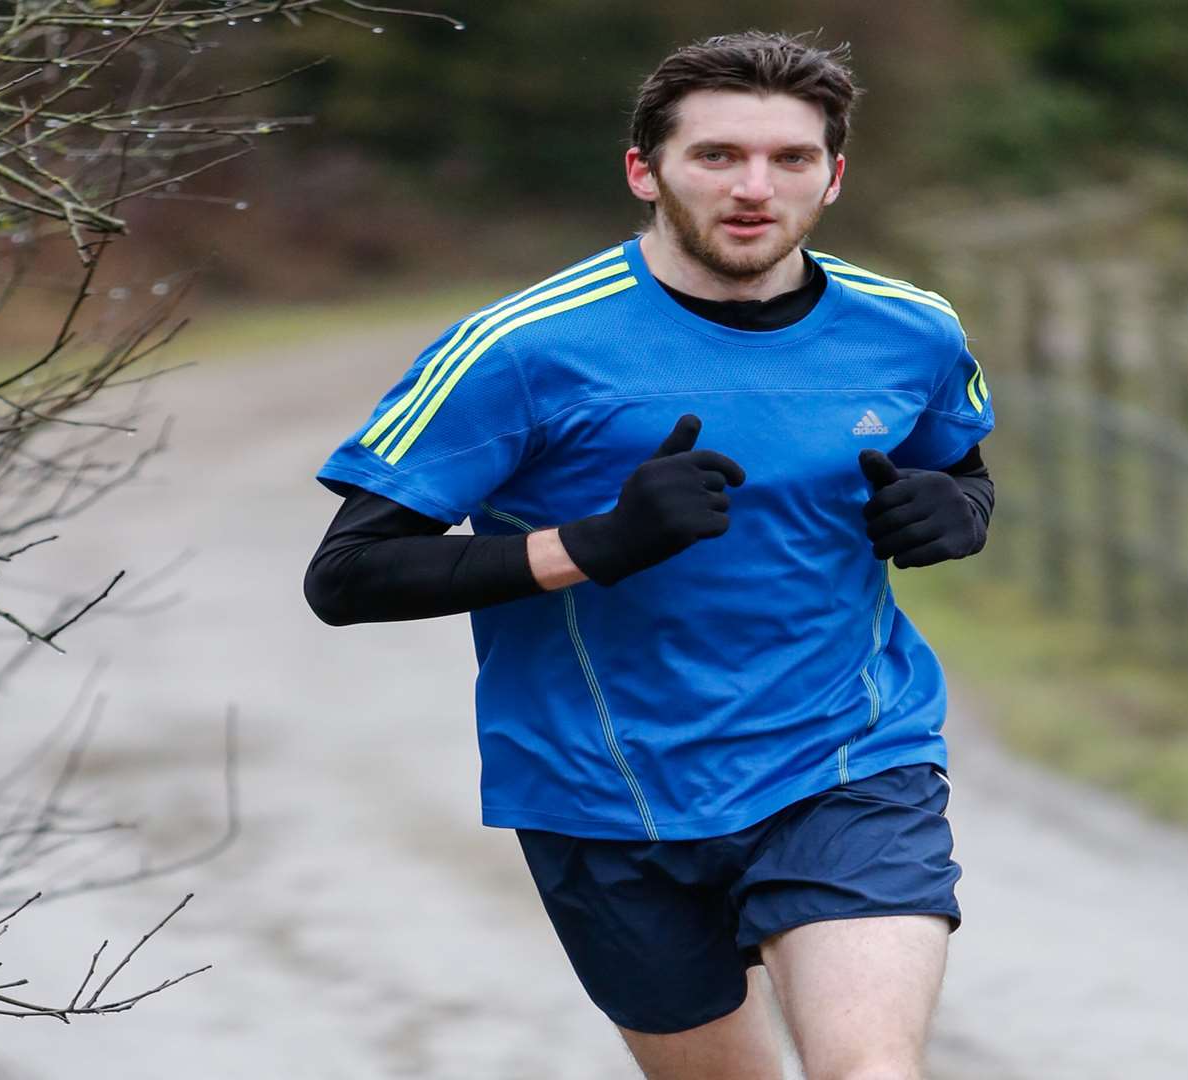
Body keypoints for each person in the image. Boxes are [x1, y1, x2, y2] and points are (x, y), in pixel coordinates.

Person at [304, 31, 995, 1080]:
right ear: (646, 169)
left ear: (833, 176)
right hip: (602, 795)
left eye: (790, 159)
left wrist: (958, 513)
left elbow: (963, 471)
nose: (755, 187)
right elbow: (347, 576)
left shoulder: (911, 331)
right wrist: (591, 545)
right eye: (717, 155)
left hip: (847, 761)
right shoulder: (521, 349)